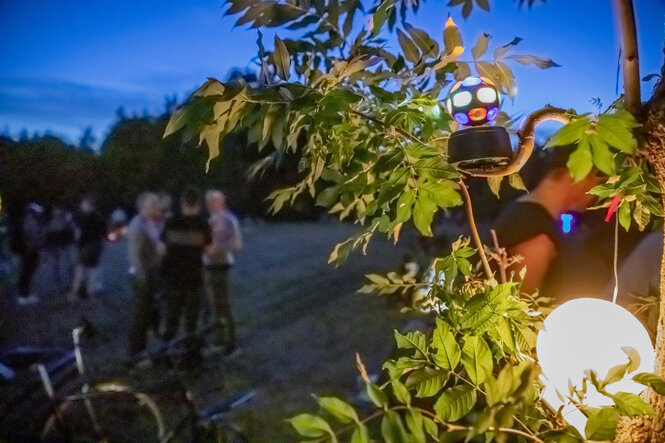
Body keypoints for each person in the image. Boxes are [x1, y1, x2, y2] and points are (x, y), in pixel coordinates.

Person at [491, 147, 601, 298]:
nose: (595, 195)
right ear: (576, 175)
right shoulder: (537, 232)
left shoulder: (521, 212)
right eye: (596, 183)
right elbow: (522, 302)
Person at [161, 187, 210, 357]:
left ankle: (166, 352)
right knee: (192, 318)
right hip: (194, 276)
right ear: (198, 204)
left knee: (171, 316)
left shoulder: (171, 222)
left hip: (173, 276)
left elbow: (163, 249)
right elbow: (207, 249)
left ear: (182, 204)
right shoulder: (203, 224)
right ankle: (192, 354)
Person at [203, 190, 243, 354]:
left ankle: (232, 343)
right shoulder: (209, 220)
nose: (211, 204)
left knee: (224, 305)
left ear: (222, 202)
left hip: (222, 266)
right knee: (213, 306)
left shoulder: (229, 220)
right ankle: (218, 340)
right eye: (209, 201)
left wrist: (218, 249)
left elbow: (237, 244)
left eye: (214, 201)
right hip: (208, 266)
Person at [127, 192, 165, 359]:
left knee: (153, 312)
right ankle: (136, 352)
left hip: (154, 274)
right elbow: (135, 255)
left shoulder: (153, 222)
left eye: (157, 203)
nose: (158, 206)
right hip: (143, 276)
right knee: (142, 314)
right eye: (153, 204)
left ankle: (156, 344)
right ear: (143, 207)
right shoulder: (138, 225)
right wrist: (142, 279)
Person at [68, 197, 106, 300]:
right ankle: (90, 291)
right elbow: (104, 232)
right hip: (96, 245)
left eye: (83, 204)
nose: (81, 206)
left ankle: (75, 293)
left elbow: (78, 233)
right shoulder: (99, 217)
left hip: (85, 246)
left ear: (87, 205)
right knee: (92, 269)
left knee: (80, 269)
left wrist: (77, 243)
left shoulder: (82, 218)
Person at [15, 203, 44, 305]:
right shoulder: (29, 222)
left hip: (29, 251)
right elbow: (32, 237)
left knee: (28, 273)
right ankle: (23, 296)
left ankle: (26, 294)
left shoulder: (28, 221)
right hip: (29, 252)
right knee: (26, 273)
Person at [44, 206, 75, 293]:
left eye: (58, 210)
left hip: (63, 246)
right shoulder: (52, 222)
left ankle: (70, 284)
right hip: (56, 247)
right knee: (57, 266)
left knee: (67, 265)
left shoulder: (65, 221)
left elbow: (70, 233)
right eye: (55, 210)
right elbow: (48, 236)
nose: (57, 211)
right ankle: (59, 285)